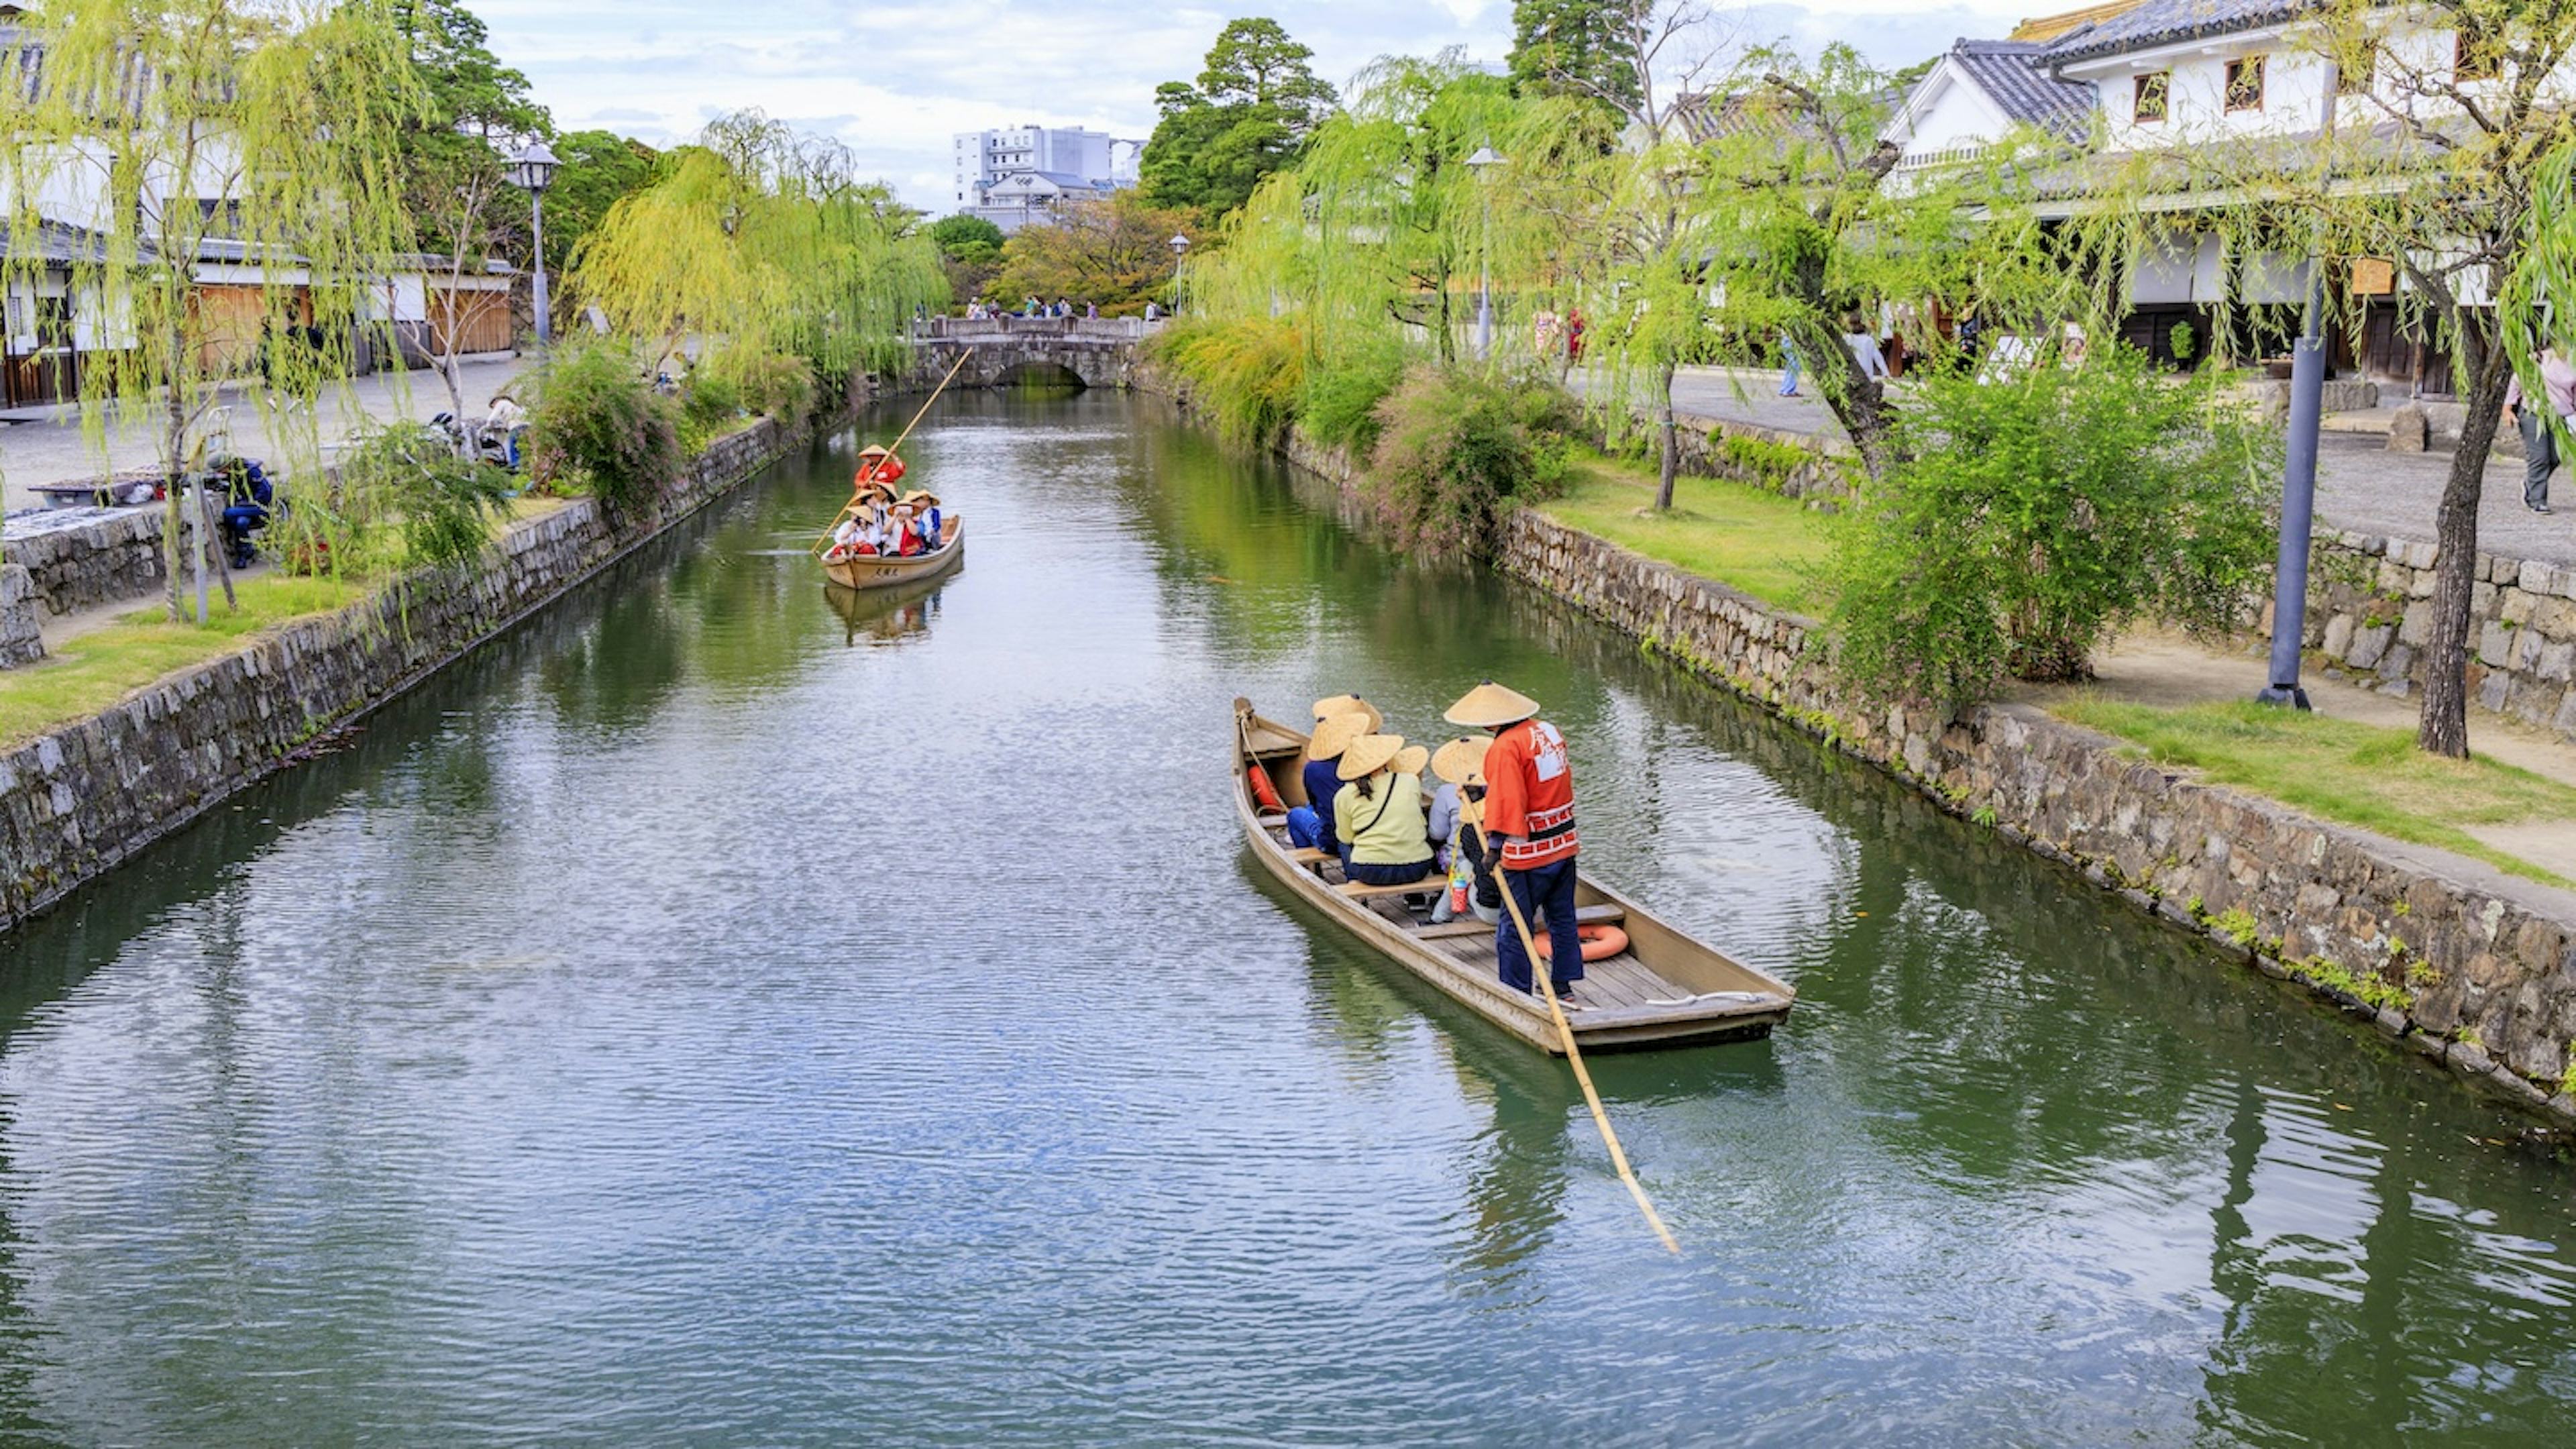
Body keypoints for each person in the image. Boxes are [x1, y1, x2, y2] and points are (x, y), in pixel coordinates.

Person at [1446, 680, 1582, 1006]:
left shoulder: (1506, 746)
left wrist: (1494, 849)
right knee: (1562, 916)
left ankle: (1516, 991)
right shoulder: (1548, 732)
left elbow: (1508, 801)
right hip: (1563, 841)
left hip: (1530, 851)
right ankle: (1563, 985)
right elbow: (1533, 784)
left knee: (1515, 924)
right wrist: (1484, 791)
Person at [1332, 734, 1438, 888]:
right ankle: (1415, 897)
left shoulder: (1344, 795)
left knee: (1343, 842)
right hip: (1417, 867)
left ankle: (1353, 884)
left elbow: (1346, 837)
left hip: (1369, 870)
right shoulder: (1411, 781)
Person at [1289, 702, 1381, 857]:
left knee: (1294, 815)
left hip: (1335, 841)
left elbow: (1315, 802)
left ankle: (1309, 866)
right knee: (1310, 806)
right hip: (1367, 832)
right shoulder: (1365, 761)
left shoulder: (1313, 768)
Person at [2507, 345, 2576, 515]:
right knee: (2540, 457)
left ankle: (2531, 484)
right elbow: (2517, 381)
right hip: (2534, 412)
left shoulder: (2574, 363)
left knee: (2557, 456)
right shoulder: (2538, 358)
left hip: (2561, 415)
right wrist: (2508, 408)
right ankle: (2537, 500)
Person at [213, 455, 274, 570]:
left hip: (260, 507)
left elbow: (266, 492)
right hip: (246, 509)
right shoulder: (232, 474)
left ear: (226, 466)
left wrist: (249, 503)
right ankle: (244, 553)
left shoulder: (251, 470)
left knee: (229, 513)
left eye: (221, 470)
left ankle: (245, 551)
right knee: (241, 523)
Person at [1778, 333, 1803, 397]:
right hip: (1791, 341)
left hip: (1786, 340)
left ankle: (1784, 389)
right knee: (1794, 366)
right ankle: (1788, 391)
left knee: (1791, 366)